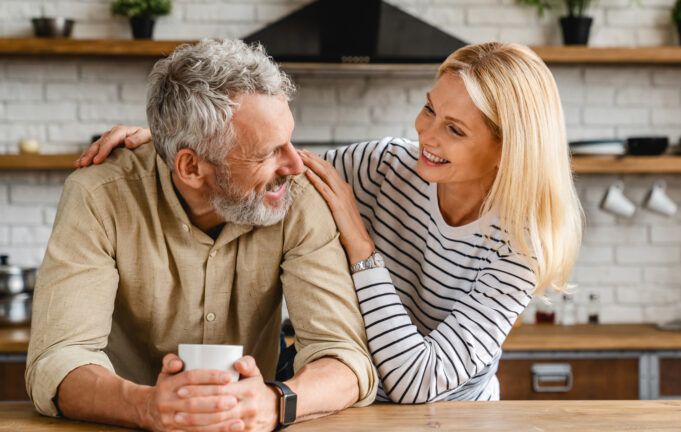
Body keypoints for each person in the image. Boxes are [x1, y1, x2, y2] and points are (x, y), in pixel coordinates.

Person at [78, 42, 583, 403]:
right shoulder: (388, 164)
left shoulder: (522, 246)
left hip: (449, 416)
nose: (425, 133)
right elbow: (260, 162)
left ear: (507, 151)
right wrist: (172, 138)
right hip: (345, 404)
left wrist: (361, 247)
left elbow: (418, 380)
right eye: (429, 108)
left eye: (453, 129)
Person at [26, 39, 377, 432]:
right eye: (266, 153)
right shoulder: (98, 196)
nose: (295, 164)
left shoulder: (297, 196)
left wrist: (275, 403)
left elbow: (345, 359)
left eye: (289, 140)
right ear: (191, 167)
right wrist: (144, 406)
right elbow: (57, 362)